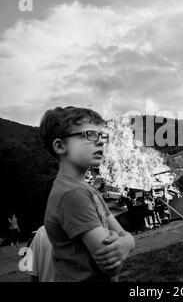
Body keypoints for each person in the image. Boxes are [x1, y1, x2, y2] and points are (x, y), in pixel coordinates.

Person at [39, 106, 135, 282]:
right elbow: (112, 268)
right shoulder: (71, 195)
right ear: (60, 146)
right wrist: (123, 243)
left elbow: (125, 236)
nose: (100, 142)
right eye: (89, 134)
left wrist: (127, 242)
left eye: (101, 135)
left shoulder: (88, 189)